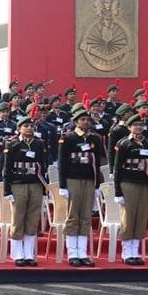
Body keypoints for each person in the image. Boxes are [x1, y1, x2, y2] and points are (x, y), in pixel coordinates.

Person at [58, 104, 106, 267]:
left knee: (85, 216)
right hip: (73, 179)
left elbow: (97, 162)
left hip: (89, 180)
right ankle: (72, 253)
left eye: (87, 120)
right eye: (82, 119)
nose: (85, 122)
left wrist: (98, 184)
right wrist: (63, 185)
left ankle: (82, 252)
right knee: (73, 215)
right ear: (76, 122)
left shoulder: (95, 139)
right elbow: (62, 164)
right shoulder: (68, 138)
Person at [2, 114, 49, 267]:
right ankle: (17, 254)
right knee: (18, 217)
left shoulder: (39, 144)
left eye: (31, 126)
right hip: (18, 184)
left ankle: (29, 253)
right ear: (19, 128)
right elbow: (7, 169)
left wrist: (43, 189)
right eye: (26, 126)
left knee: (33, 218)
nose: (29, 128)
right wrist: (7, 190)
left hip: (35, 184)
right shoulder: (13, 144)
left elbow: (43, 166)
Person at [112, 116, 148, 265]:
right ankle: (126, 252)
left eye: (140, 124)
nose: (138, 127)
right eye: (135, 125)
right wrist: (117, 191)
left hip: (143, 182)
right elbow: (117, 168)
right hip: (128, 182)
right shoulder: (124, 143)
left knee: (141, 217)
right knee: (128, 217)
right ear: (129, 127)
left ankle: (135, 251)